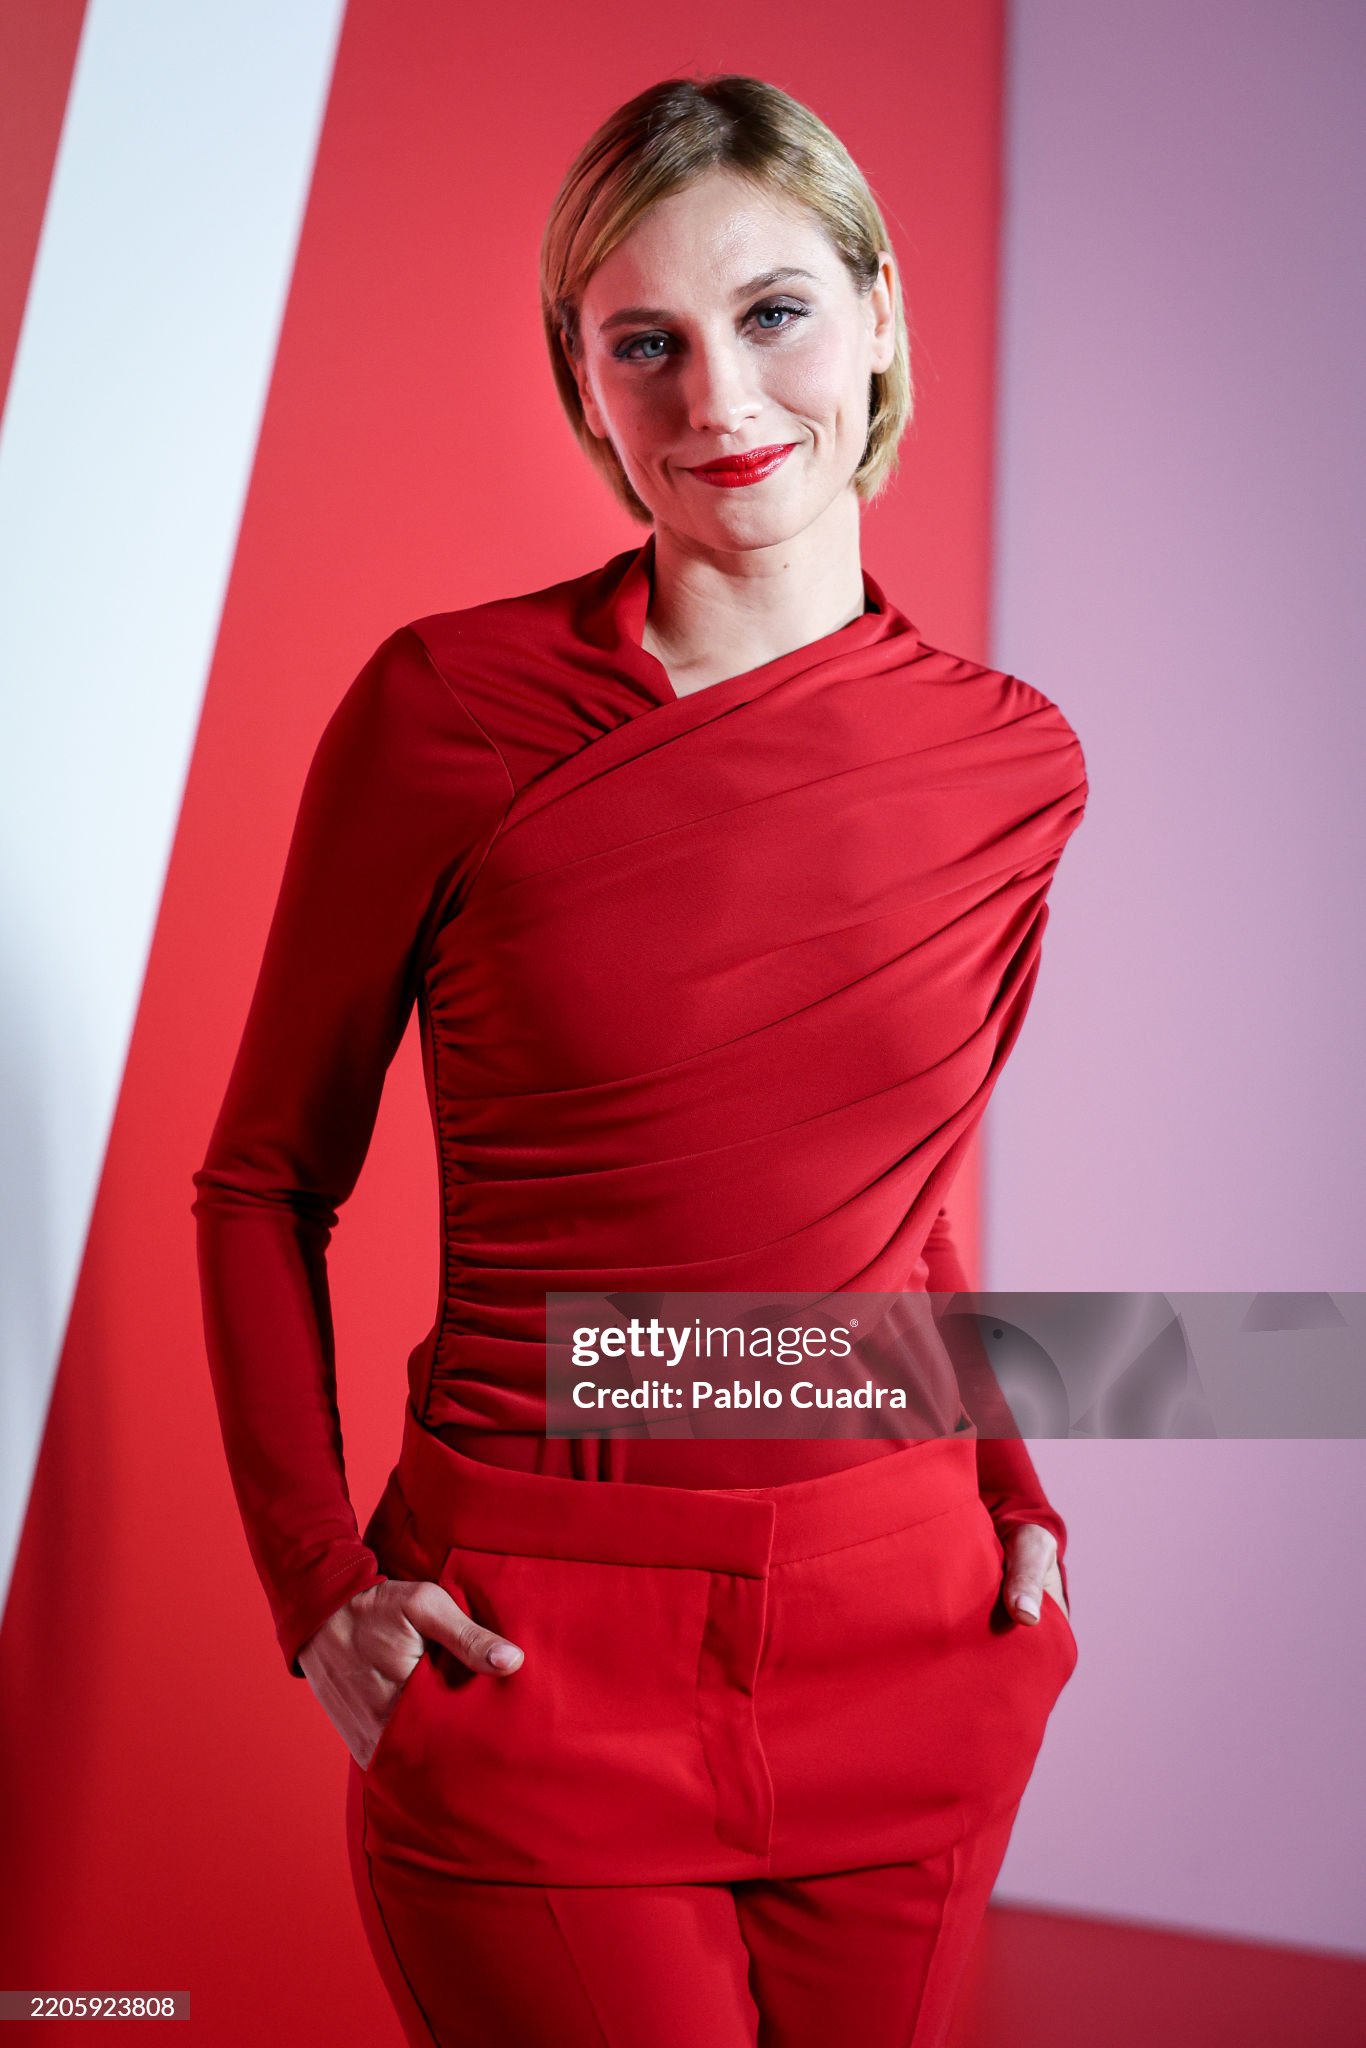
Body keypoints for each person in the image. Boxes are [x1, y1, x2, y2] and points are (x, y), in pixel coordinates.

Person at [192, 73, 1088, 2048]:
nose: (718, 398)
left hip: (906, 1627)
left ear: (877, 313)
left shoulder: (1011, 764)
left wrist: (1013, 1488)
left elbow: (895, 1215)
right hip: (535, 1646)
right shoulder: (445, 710)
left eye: (771, 313)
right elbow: (262, 1180)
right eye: (644, 344)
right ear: (581, 383)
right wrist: (313, 1587)